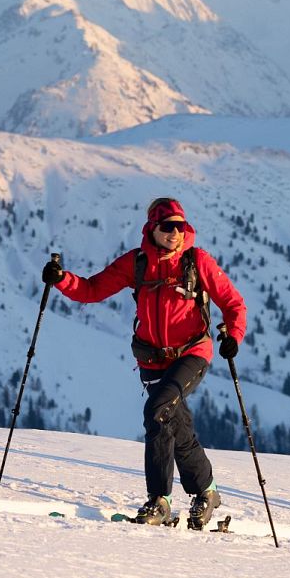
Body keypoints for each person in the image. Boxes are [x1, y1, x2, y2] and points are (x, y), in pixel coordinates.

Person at [42, 198, 248, 529]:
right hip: (151, 358)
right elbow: (93, 289)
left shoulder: (197, 261)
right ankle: (206, 492)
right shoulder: (137, 263)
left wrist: (233, 336)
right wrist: (62, 279)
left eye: (180, 226)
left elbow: (233, 303)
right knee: (175, 425)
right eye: (167, 226)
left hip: (192, 352)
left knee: (158, 410)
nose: (174, 233)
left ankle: (159, 501)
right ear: (152, 228)